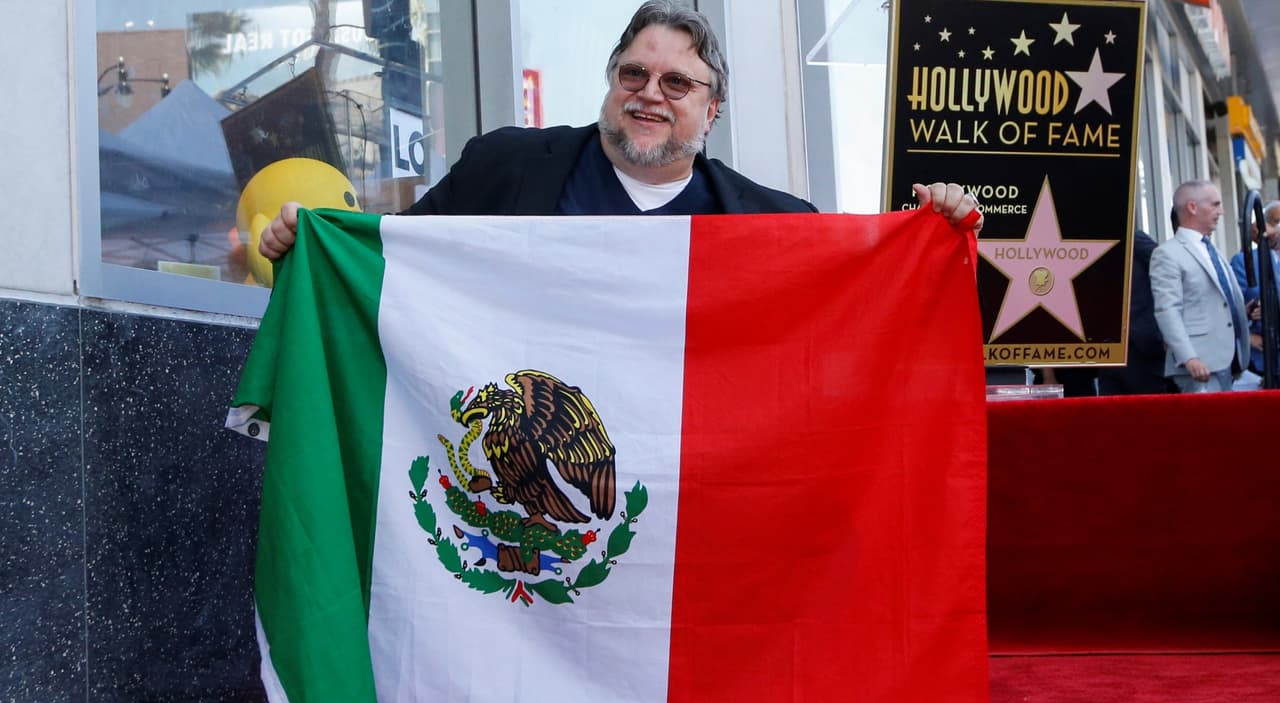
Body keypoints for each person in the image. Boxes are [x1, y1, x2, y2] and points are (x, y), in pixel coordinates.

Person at [258, 0, 981, 258]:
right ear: (611, 79)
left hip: (690, 483)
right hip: (532, 474)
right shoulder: (506, 166)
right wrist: (316, 238)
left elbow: (857, 313)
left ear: (712, 108)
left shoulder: (777, 223)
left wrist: (931, 237)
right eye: (633, 73)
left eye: (677, 83)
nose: (649, 95)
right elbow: (396, 262)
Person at [1150, 180, 1251, 393]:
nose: (1221, 211)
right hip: (1199, 367)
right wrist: (1189, 357)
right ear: (1192, 207)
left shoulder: (1210, 249)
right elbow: (1167, 310)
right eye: (1214, 204)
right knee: (1207, 425)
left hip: (1227, 362)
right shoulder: (1168, 253)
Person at [1098, 229, 1170, 395]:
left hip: (1140, 344)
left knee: (1149, 413)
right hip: (1108, 349)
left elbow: (1165, 266)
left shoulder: (1131, 236)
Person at [1229, 199, 1280, 377]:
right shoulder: (1244, 261)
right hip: (1261, 360)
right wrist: (1248, 337)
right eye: (1276, 222)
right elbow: (1232, 309)